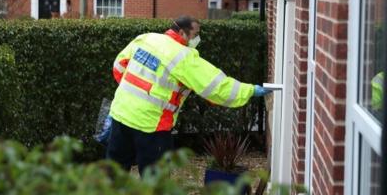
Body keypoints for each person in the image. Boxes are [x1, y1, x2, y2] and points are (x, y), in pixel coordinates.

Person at [107, 15, 271, 175]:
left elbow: (119, 66)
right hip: (152, 125)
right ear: (182, 33)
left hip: (121, 115)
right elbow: (216, 87)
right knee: (155, 180)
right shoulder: (183, 56)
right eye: (195, 34)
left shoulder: (145, 38)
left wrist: (136, 94)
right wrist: (250, 90)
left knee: (114, 169)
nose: (197, 39)